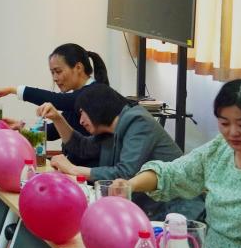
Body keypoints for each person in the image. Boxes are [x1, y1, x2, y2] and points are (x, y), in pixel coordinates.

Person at [113, 79, 241, 248]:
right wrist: (130, 185)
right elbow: (172, 173)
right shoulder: (220, 149)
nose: (233, 132)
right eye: (224, 123)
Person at [46, 83, 203, 220]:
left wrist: (73, 169)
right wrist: (57, 119)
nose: (81, 120)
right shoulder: (111, 130)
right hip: (150, 210)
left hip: (177, 212)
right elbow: (82, 147)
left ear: (96, 108)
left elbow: (126, 174)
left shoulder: (138, 122)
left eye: (82, 112)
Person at [0, 43, 110, 165]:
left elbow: (56, 100)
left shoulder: (94, 92)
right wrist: (21, 125)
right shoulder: (75, 98)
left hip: (89, 172)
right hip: (72, 167)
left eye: (58, 71)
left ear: (78, 68)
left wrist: (12, 90)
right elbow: (52, 132)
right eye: (52, 73)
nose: (55, 78)